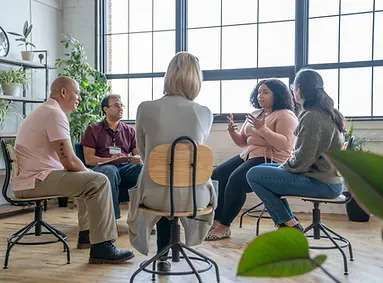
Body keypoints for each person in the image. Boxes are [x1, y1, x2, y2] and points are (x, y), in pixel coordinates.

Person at [13, 76, 134, 264]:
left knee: (87, 178)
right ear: (63, 92)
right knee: (98, 180)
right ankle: (103, 246)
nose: (79, 98)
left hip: (34, 177)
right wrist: (90, 172)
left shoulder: (47, 111)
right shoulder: (54, 113)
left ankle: (87, 235)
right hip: (35, 180)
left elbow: (68, 162)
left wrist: (86, 172)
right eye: (76, 93)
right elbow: (69, 160)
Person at [127, 52, 216, 272]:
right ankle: (165, 254)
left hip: (156, 194)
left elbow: (144, 152)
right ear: (196, 79)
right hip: (195, 197)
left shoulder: (145, 108)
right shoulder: (205, 113)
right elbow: (192, 159)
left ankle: (162, 255)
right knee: (179, 178)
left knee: (163, 179)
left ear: (168, 75)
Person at [246, 69, 345, 231]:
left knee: (254, 174)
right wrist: (282, 168)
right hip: (327, 179)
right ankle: (289, 223)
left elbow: (301, 161)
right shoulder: (326, 111)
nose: (293, 92)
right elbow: (302, 159)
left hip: (321, 183)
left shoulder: (312, 116)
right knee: (260, 170)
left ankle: (287, 224)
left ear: (299, 89)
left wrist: (283, 168)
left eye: (294, 88)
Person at [205, 79, 298, 241]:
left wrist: (263, 128)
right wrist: (232, 131)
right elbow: (242, 141)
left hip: (272, 159)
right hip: (248, 155)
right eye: (259, 92)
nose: (260, 95)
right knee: (218, 174)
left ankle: (224, 226)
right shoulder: (256, 114)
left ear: (278, 95)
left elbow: (285, 145)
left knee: (236, 180)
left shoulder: (285, 115)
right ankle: (217, 219)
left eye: (265, 92)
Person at [81, 94, 143, 220]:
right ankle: (111, 219)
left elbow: (138, 154)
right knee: (110, 170)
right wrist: (110, 160)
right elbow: (89, 159)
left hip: (124, 167)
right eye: (116, 105)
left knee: (143, 169)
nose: (121, 108)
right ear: (105, 109)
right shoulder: (93, 129)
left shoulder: (129, 130)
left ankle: (142, 217)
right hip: (102, 168)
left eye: (121, 105)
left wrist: (136, 158)